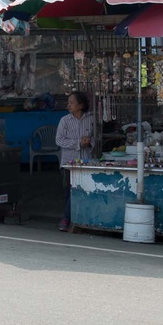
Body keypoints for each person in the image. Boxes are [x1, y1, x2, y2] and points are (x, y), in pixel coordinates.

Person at [55, 90, 96, 232]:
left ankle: (72, 219)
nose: (69, 105)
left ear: (81, 105)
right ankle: (67, 218)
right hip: (68, 163)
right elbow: (59, 140)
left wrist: (90, 142)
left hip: (87, 162)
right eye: (69, 103)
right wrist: (78, 143)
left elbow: (98, 138)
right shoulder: (65, 120)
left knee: (83, 190)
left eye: (72, 103)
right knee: (70, 191)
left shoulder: (91, 119)